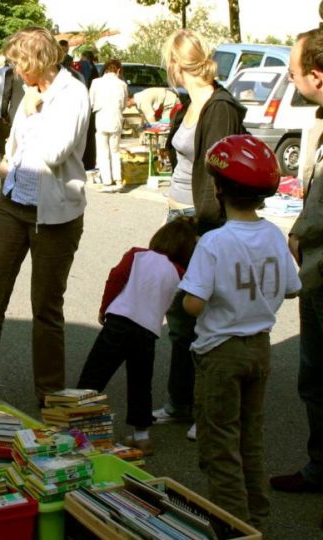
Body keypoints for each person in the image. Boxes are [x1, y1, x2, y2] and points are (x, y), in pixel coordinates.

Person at [180, 134, 301, 528]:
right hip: (259, 349)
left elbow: (193, 304)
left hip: (221, 352)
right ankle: (257, 517)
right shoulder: (271, 235)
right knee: (250, 438)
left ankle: (232, 525)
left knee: (219, 444)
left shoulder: (214, 242)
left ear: (218, 188)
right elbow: (291, 287)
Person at [0, 27, 89, 403]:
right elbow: (14, 142)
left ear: (36, 60)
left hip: (55, 215)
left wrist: (37, 109)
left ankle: (49, 392)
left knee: (46, 307)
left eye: (19, 63)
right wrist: (8, 159)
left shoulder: (72, 93)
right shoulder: (31, 93)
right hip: (13, 204)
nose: (16, 72)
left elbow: (53, 151)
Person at [153, 30, 246, 438]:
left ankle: (207, 411)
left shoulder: (219, 106)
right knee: (178, 315)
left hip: (201, 222)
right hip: (179, 218)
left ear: (176, 63)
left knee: (204, 317)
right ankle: (181, 402)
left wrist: (206, 229)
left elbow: (219, 173)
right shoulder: (188, 103)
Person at [77, 217, 197, 456]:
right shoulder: (180, 274)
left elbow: (115, 278)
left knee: (94, 375)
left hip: (119, 322)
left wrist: (104, 307)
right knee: (141, 383)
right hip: (148, 332)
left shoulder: (137, 255)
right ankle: (142, 435)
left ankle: (75, 424)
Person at [270, 27, 323, 499]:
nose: (291, 81)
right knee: (313, 378)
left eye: (293, 72)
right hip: (315, 275)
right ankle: (318, 467)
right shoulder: (319, 122)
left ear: (318, 75)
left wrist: (296, 233)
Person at [89, 59, 128, 190]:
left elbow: (91, 102)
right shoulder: (122, 84)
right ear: (118, 70)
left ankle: (107, 180)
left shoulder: (96, 82)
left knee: (103, 151)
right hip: (116, 119)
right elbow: (124, 104)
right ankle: (118, 179)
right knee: (115, 151)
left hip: (101, 119)